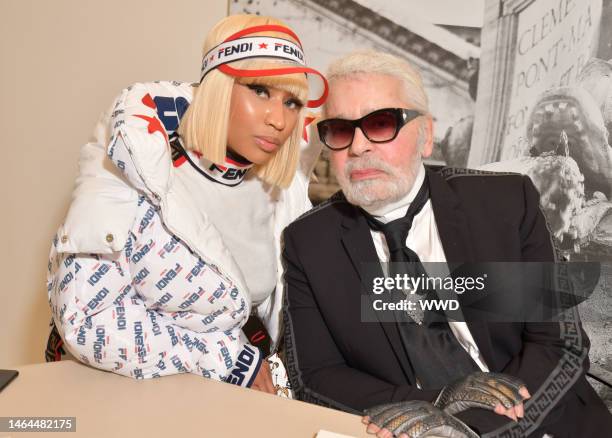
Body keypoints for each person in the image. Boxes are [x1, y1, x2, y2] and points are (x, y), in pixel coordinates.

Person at [281, 50, 612, 436]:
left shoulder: (505, 203)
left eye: (382, 123)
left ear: (425, 136)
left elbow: (559, 346)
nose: (358, 147)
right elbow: (317, 375)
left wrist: (477, 429)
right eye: (340, 130)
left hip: (544, 423)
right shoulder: (309, 243)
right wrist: (438, 405)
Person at [46, 14, 327, 394]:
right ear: (219, 89)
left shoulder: (277, 187)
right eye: (259, 91)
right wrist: (225, 358)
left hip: (220, 401)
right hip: (113, 397)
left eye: (291, 101)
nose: (278, 119)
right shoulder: (137, 162)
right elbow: (87, 319)